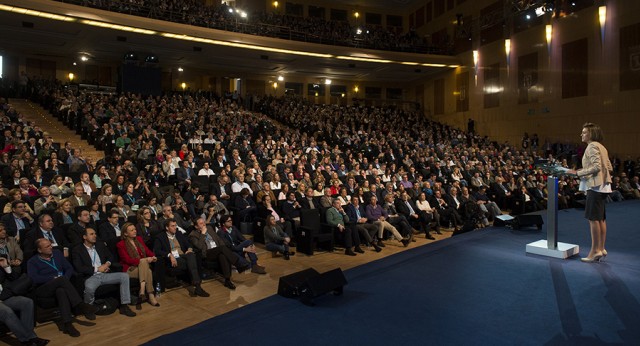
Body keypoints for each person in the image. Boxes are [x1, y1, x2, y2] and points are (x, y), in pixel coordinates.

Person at [27, 239, 97, 337]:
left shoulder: (57, 254)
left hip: (61, 284)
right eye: (47, 246)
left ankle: (68, 324)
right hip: (43, 288)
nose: (51, 247)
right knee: (61, 280)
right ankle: (79, 304)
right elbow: (34, 278)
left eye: (50, 245)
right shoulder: (32, 261)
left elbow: (69, 268)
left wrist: (65, 280)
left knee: (61, 291)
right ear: (39, 250)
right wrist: (53, 279)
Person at [567, 123, 613, 263]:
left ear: (591, 134)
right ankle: (601, 248)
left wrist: (577, 172)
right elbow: (609, 167)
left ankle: (595, 251)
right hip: (603, 186)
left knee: (593, 219)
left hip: (595, 187)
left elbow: (596, 166)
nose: (581, 134)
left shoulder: (592, 146)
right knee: (600, 218)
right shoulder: (602, 147)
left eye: (584, 132)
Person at [71, 228, 136, 317]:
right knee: (89, 288)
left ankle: (124, 306)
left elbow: (110, 256)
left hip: (105, 274)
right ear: (84, 237)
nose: (95, 235)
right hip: (91, 276)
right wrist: (97, 269)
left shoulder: (99, 245)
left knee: (124, 276)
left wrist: (106, 264)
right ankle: (88, 308)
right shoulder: (77, 250)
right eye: (91, 234)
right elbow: (79, 268)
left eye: (95, 233)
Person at [0, 256, 50, 346]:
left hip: (3, 296)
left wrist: (5, 266)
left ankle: (30, 338)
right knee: (6, 311)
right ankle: (28, 340)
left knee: (27, 302)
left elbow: (14, 278)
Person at [189, 217, 249, 289]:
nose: (204, 224)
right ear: (196, 226)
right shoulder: (193, 235)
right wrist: (203, 234)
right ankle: (238, 264)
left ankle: (227, 280)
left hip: (218, 250)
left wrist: (224, 249)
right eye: (201, 223)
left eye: (204, 222)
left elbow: (219, 239)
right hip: (207, 253)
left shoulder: (209, 228)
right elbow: (199, 246)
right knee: (222, 249)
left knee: (222, 254)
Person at [154, 219, 209, 297]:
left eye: (175, 225)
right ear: (167, 227)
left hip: (183, 256)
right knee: (192, 261)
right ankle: (198, 286)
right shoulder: (160, 237)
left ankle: (197, 286)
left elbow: (188, 244)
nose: (175, 227)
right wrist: (169, 255)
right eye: (172, 226)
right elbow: (157, 251)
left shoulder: (179, 234)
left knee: (191, 255)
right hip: (173, 259)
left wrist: (189, 249)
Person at [117, 222, 160, 308]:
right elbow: (127, 260)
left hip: (141, 267)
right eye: (132, 230)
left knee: (147, 269)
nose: (135, 231)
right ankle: (150, 295)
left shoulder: (139, 239)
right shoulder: (120, 244)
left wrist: (152, 256)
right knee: (146, 266)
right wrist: (143, 260)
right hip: (130, 269)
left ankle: (143, 291)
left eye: (135, 229)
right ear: (125, 233)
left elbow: (146, 250)